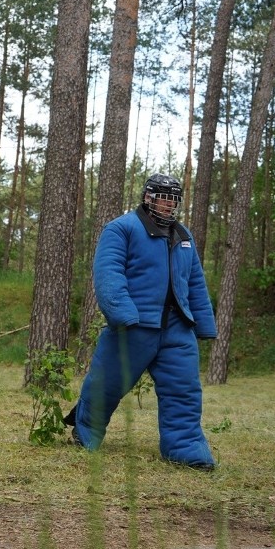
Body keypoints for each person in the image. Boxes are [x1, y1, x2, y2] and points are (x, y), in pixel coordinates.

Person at [64, 173, 218, 470]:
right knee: (105, 385)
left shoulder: (183, 236)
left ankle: (186, 448)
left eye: (173, 200)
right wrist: (122, 314)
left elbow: (195, 282)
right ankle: (85, 432)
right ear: (148, 197)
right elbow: (109, 274)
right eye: (162, 198)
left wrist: (203, 323)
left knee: (184, 391)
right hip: (133, 326)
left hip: (177, 328)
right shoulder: (122, 229)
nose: (167, 205)